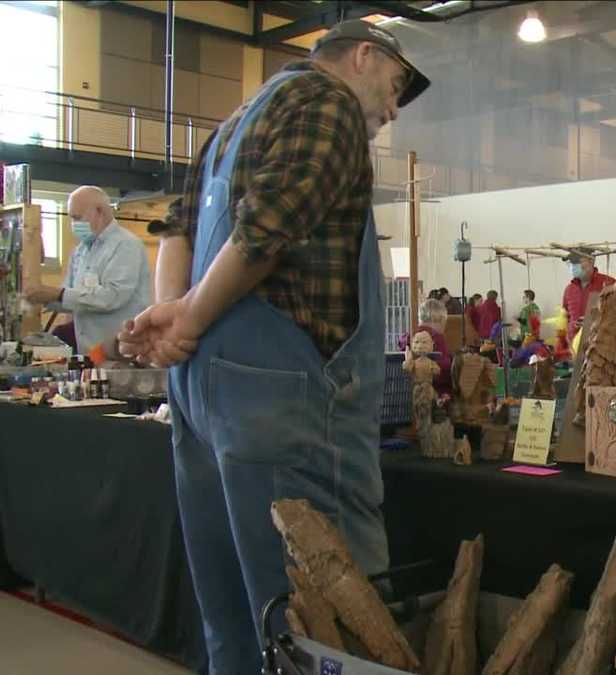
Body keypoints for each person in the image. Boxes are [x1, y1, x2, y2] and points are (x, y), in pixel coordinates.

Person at [117, 19, 430, 673]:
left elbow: (176, 227)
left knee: (230, 616)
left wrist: (172, 312)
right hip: (277, 405)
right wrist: (190, 319)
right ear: (363, 57)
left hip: (205, 398)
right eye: (397, 87)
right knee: (313, 623)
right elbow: (269, 230)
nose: (393, 109)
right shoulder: (328, 104)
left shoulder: (236, 122)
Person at [24, 186, 151, 355]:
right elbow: (72, 298)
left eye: (77, 217)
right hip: (91, 353)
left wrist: (56, 294)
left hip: (122, 353)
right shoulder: (80, 251)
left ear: (99, 212)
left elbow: (111, 297)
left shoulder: (126, 245)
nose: (74, 224)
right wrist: (39, 296)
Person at [398, 298, 452, 396]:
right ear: (439, 319)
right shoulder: (435, 338)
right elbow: (443, 370)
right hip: (432, 392)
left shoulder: (408, 337)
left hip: (406, 392)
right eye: (444, 322)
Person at [562, 252, 615, 341]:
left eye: (577, 262)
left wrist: (594, 322)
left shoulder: (608, 284)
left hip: (600, 344)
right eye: (571, 263)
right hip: (574, 345)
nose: (573, 266)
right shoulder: (569, 289)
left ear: (591, 261)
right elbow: (565, 317)